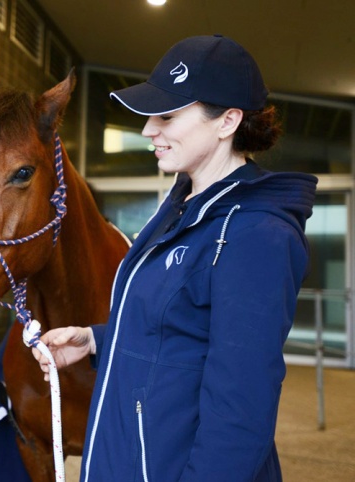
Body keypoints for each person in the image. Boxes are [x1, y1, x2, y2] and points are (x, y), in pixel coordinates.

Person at [32, 35, 317, 481]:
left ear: (227, 121)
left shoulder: (256, 235)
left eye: (166, 115)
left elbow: (241, 408)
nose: (148, 130)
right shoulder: (182, 209)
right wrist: (95, 341)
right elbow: (182, 331)